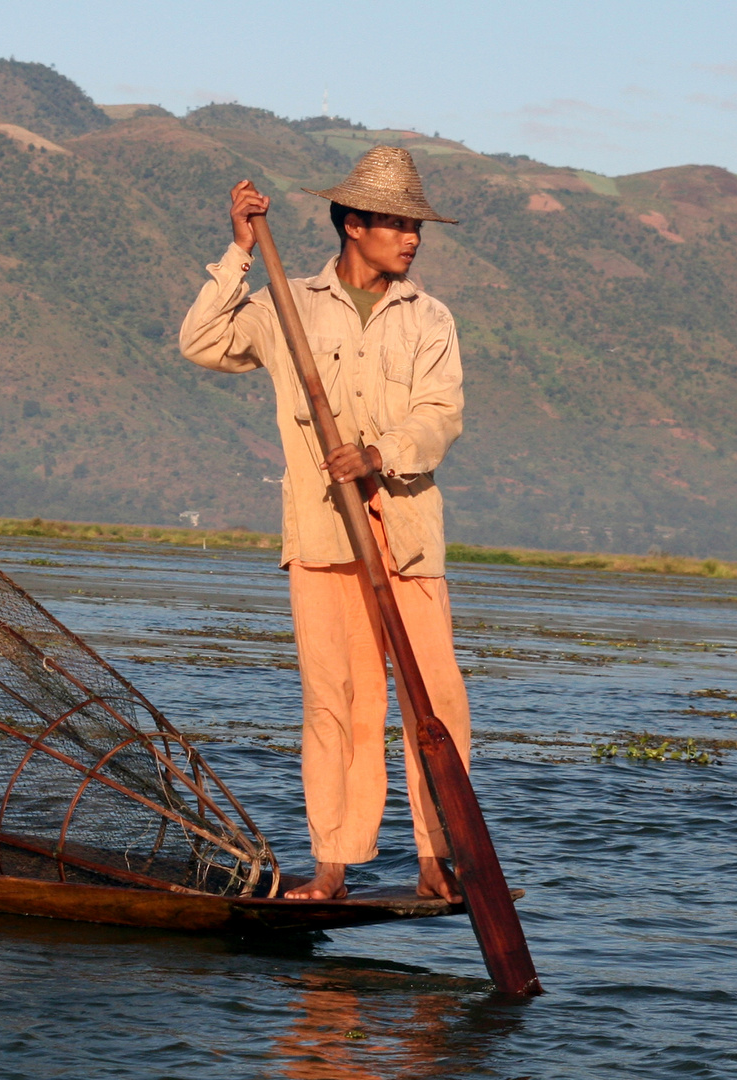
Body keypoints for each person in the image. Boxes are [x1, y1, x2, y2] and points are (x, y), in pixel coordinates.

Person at [177, 146, 469, 902]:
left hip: (405, 537)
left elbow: (441, 419)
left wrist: (378, 452)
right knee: (336, 700)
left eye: (415, 227)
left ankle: (442, 857)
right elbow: (201, 344)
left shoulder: (429, 318)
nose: (410, 240)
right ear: (352, 224)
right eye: (397, 225)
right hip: (323, 536)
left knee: (434, 701)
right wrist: (239, 253)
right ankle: (335, 865)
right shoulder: (286, 302)